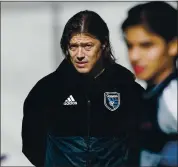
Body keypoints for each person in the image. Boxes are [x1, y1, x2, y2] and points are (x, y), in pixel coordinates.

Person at [22, 10, 144, 167]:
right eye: (73, 46)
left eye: (87, 46)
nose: (79, 54)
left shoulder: (128, 89)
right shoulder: (46, 90)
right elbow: (31, 144)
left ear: (104, 44)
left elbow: (143, 144)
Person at [121, 2, 177, 167]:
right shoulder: (153, 93)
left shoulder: (172, 97)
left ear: (173, 45)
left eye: (147, 45)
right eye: (130, 45)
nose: (134, 56)